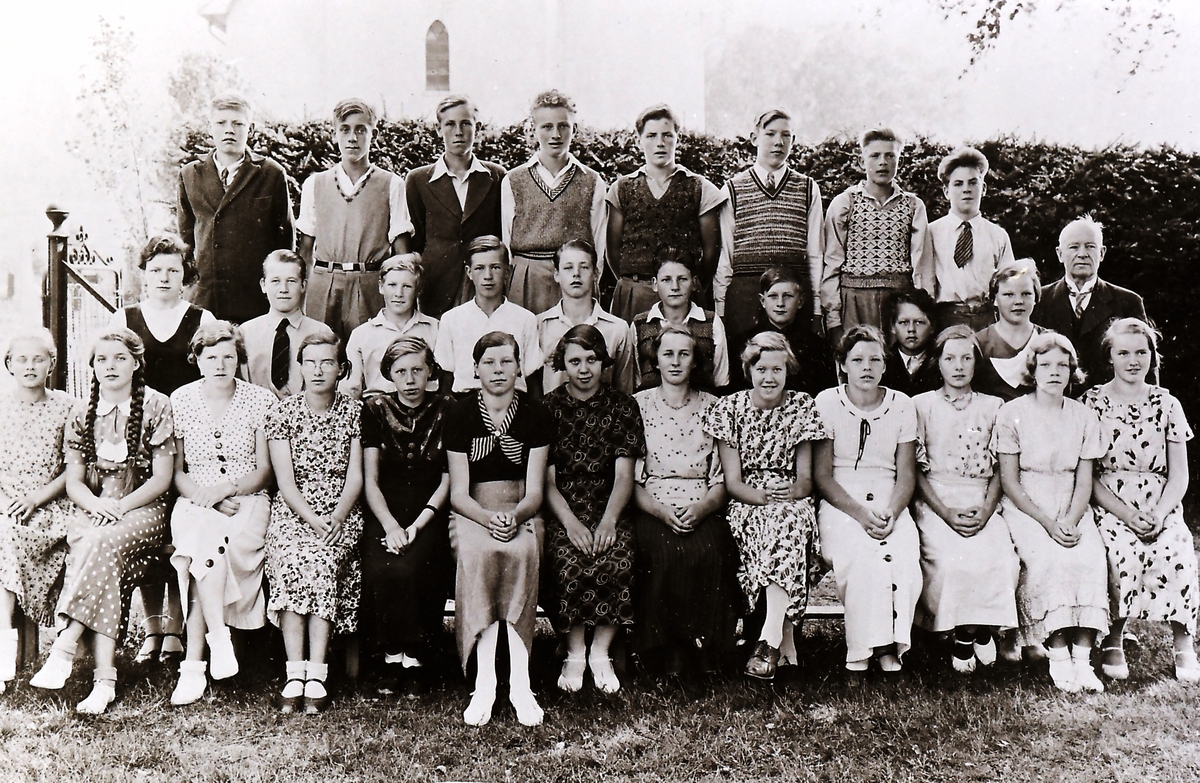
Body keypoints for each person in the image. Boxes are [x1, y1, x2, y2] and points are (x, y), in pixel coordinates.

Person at [29, 329, 175, 714]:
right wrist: (97, 504)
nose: (110, 366)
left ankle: (64, 646)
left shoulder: (156, 406)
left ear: (136, 363)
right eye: (102, 360)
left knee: (100, 543)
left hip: (143, 506)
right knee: (99, 547)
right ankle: (104, 682)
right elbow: (75, 482)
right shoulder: (82, 413)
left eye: (119, 358)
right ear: (92, 367)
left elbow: (162, 479)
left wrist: (122, 506)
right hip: (93, 507)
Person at [109, 233, 214, 666]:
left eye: (173, 269)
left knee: (178, 531)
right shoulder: (125, 315)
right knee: (145, 527)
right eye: (156, 270)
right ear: (144, 275)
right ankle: (152, 629)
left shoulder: (201, 317)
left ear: (185, 275)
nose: (165, 277)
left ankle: (176, 628)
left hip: (188, 436)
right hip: (140, 436)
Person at [703, 331, 827, 680]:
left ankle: (769, 638)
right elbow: (733, 482)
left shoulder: (801, 405)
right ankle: (783, 643)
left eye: (777, 370)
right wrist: (762, 498)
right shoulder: (730, 408)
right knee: (773, 526)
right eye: (761, 369)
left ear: (788, 371)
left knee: (785, 522)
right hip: (749, 500)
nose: (769, 378)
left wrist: (783, 495)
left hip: (792, 497)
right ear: (749, 371)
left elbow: (805, 480)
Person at [166, 322, 276, 705]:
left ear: (238, 360)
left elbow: (265, 470)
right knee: (203, 537)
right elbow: (176, 471)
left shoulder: (260, 400)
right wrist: (205, 496)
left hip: (248, 499)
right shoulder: (179, 400)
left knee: (200, 552)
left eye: (228, 356)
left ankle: (194, 666)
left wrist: (226, 489)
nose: (220, 364)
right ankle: (218, 639)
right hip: (195, 501)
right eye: (210, 356)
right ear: (197, 360)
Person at [992, 332, 1109, 693]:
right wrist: (1046, 523)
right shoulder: (1011, 414)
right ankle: (1057, 655)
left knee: (1090, 557)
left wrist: (1071, 520)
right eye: (1046, 365)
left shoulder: (1084, 416)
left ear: (1073, 372)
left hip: (1071, 503)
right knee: (1046, 560)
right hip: (1027, 506)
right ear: (1033, 369)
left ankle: (1082, 658)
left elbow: (1084, 479)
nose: (1054, 372)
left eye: (1063, 365)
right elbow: (1009, 482)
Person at [444, 332, 551, 727]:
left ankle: (520, 682)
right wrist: (489, 519)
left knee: (520, 552)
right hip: (474, 511)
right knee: (481, 553)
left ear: (519, 367)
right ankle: (485, 681)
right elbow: (458, 493)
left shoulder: (535, 414)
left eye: (507, 362)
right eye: (489, 362)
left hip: (521, 508)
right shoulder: (459, 413)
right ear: (475, 369)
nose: (498, 370)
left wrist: (515, 516)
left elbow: (536, 491)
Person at [1084, 319, 1199, 682]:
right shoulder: (1092, 402)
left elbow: (1179, 474)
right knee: (1120, 552)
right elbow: (1087, 475)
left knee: (1178, 549)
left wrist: (1162, 513)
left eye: (1141, 352)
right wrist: (1126, 514)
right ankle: (1114, 637)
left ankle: (1183, 642)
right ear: (1110, 358)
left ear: (1152, 355)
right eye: (1123, 353)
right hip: (1111, 501)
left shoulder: (1167, 403)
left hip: (1158, 502)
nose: (1133, 360)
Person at [264, 332, 364, 713]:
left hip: (341, 510)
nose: (318, 370)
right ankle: (294, 672)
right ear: (300, 367)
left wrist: (336, 516)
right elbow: (286, 483)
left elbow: (355, 477)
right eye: (311, 362)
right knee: (293, 556)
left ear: (341, 369)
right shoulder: (282, 413)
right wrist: (311, 519)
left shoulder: (353, 412)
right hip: (294, 511)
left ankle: (318, 672)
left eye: (327, 362)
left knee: (321, 561)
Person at [814, 325, 923, 673]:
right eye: (857, 359)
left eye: (875, 359)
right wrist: (861, 514)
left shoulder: (902, 406)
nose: (867, 367)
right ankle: (861, 650)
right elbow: (823, 476)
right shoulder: (827, 402)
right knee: (861, 557)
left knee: (902, 557)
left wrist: (891, 512)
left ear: (885, 365)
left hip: (891, 499)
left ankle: (890, 647)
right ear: (842, 364)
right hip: (842, 502)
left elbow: (906, 475)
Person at [911, 325, 1019, 673]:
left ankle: (979, 631)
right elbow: (916, 471)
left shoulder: (994, 406)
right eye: (950, 358)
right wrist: (944, 512)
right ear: (938, 363)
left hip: (982, 496)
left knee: (998, 556)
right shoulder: (921, 406)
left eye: (966, 358)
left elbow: (1003, 467)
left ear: (977, 363)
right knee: (952, 560)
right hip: (938, 500)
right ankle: (962, 634)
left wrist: (987, 510)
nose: (958, 366)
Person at [544, 325, 645, 694]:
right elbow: (546, 481)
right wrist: (570, 524)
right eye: (574, 361)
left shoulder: (622, 405)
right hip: (563, 505)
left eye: (591, 359)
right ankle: (574, 651)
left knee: (616, 556)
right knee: (564, 558)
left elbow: (624, 476)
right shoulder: (549, 408)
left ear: (604, 361)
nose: (584, 368)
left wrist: (608, 522)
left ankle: (600, 651)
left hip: (608, 503)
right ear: (562, 364)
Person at [632, 325, 738, 677]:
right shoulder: (638, 405)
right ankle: (666, 649)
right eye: (668, 354)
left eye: (684, 354)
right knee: (662, 552)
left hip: (702, 500)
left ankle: (707, 647)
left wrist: (701, 508)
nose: (675, 361)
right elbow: (630, 479)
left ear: (695, 362)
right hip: (653, 502)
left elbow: (724, 478)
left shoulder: (715, 407)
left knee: (708, 550)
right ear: (656, 361)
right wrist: (662, 512)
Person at [360, 336, 455, 697]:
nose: (411, 379)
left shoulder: (447, 407)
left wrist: (417, 525)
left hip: (430, 509)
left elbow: (449, 477)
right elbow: (370, 479)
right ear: (389, 374)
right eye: (401, 371)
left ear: (430, 371)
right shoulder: (374, 409)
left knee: (418, 568)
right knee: (383, 568)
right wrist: (390, 525)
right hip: (385, 508)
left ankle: (416, 658)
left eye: (418, 369)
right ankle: (389, 656)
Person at [298, 99, 412, 341]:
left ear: (374, 134)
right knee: (320, 354)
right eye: (345, 129)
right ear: (335, 133)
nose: (352, 138)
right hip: (324, 283)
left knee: (371, 357)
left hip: (369, 283)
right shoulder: (315, 183)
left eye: (361, 130)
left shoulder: (392, 184)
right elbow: (305, 250)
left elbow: (401, 253)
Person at [0, 330, 75, 695]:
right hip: (6, 508)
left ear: (51, 363)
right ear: (9, 365)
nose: (30, 366)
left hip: (52, 509)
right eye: (22, 360)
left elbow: (72, 470)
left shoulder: (67, 406)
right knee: (3, 533)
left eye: (39, 359)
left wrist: (35, 500)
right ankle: (3, 648)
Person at [178, 93, 294, 324]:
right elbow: (186, 238)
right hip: (208, 300)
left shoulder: (270, 173)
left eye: (238, 124)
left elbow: (284, 242)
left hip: (254, 301)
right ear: (210, 128)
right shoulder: (190, 174)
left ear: (250, 130)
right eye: (221, 123)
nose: (229, 130)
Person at [606, 104, 727, 320]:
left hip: (683, 295)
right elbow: (613, 251)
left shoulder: (699, 187)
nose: (660, 143)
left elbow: (711, 252)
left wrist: (692, 286)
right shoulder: (622, 188)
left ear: (677, 139)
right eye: (651, 136)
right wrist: (633, 284)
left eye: (667, 135)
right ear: (639, 140)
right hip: (636, 292)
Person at [715, 109, 824, 337]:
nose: (778, 142)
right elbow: (725, 257)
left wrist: (816, 309)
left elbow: (815, 254)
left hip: (794, 300)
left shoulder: (807, 188)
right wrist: (721, 311)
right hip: (745, 298)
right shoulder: (732, 189)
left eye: (786, 135)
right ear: (754, 138)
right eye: (770, 134)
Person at [502, 90, 608, 315]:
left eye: (563, 126)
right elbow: (506, 239)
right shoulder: (513, 179)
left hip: (575, 277)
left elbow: (599, 244)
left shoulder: (592, 180)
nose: (556, 134)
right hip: (527, 278)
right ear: (534, 129)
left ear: (574, 129)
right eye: (547, 127)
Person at [821, 128, 928, 339]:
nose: (883, 162)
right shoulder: (845, 203)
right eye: (875, 156)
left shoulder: (913, 205)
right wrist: (833, 318)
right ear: (862, 162)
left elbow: (922, 266)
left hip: (898, 304)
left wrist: (921, 309)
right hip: (854, 302)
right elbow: (832, 263)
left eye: (890, 155)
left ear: (899, 161)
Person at [406, 95, 506, 318]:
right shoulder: (418, 180)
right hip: (437, 284)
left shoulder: (496, 176)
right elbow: (417, 239)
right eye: (450, 124)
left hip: (482, 283)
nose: (458, 131)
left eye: (466, 123)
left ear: (477, 127)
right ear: (438, 129)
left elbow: (501, 234)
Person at [1032, 215, 1147, 393]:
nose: (1082, 254)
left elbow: (1147, 361)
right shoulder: (1039, 300)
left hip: (1110, 405)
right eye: (1074, 247)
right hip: (1053, 404)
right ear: (1060, 254)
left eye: (1090, 246)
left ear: (1101, 253)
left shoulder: (1128, 302)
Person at [916, 147, 1014, 332]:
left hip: (987, 319)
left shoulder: (998, 235)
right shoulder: (931, 233)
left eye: (973, 183)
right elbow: (924, 284)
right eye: (958, 184)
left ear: (983, 188)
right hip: (946, 318)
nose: (966, 189)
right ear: (946, 191)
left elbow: (1008, 286)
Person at [434, 236, 542, 396]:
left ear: (508, 271)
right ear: (469, 272)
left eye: (495, 267)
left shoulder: (525, 319)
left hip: (513, 402)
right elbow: (446, 379)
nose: (488, 276)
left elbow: (533, 379)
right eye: (479, 268)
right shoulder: (452, 319)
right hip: (465, 404)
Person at [537, 239, 634, 395]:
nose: (576, 273)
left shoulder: (618, 329)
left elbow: (624, 390)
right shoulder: (539, 325)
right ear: (556, 275)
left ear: (595, 273)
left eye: (584, 267)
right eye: (568, 268)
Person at [629, 248, 730, 392]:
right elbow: (636, 381)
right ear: (655, 284)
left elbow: (721, 381)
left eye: (682, 279)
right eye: (666, 280)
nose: (675, 287)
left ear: (694, 283)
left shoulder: (711, 322)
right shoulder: (640, 324)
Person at [341, 254, 439, 399]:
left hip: (425, 408)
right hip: (378, 408)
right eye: (392, 285)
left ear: (417, 290)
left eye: (407, 286)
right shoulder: (361, 334)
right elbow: (351, 388)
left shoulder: (434, 328)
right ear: (381, 287)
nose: (399, 294)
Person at [729, 267, 836, 397]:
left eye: (788, 296)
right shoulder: (741, 343)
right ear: (763, 301)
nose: (780, 303)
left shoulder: (817, 347)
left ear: (800, 301)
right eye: (773, 296)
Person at [240, 250, 333, 399]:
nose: (283, 289)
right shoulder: (245, 332)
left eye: (291, 281)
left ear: (303, 285)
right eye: (275, 281)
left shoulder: (321, 332)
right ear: (263, 285)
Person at [973, 260, 1048, 402]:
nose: (1018, 301)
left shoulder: (1048, 340)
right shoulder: (979, 343)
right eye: (1009, 294)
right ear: (995, 299)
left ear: (1036, 298)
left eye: (1026, 294)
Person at [880, 289, 943, 397]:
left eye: (919, 322)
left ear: (932, 326)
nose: (911, 329)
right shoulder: (884, 361)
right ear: (893, 327)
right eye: (904, 322)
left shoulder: (940, 361)